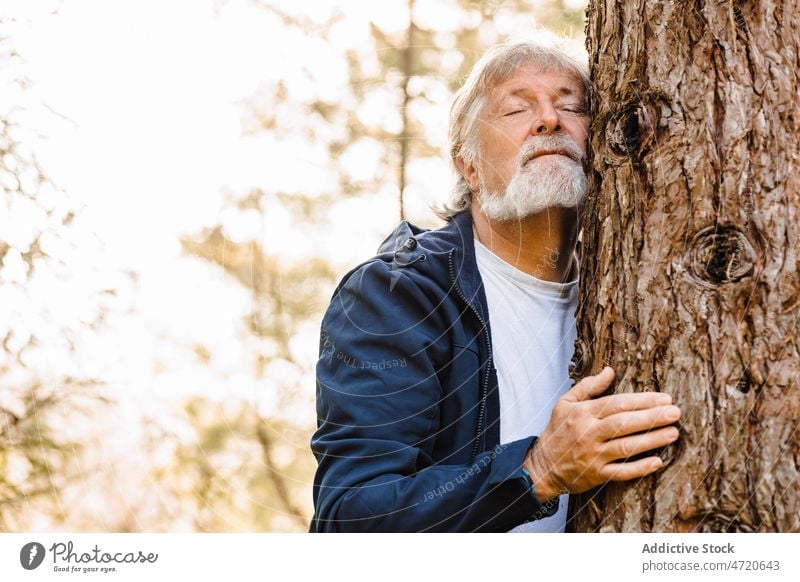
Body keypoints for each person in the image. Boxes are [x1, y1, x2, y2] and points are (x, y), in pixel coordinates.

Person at [309, 38, 682, 532]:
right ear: (468, 163)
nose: (550, 120)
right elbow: (351, 520)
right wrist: (537, 471)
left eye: (572, 105)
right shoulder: (395, 296)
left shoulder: (640, 290)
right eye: (516, 109)